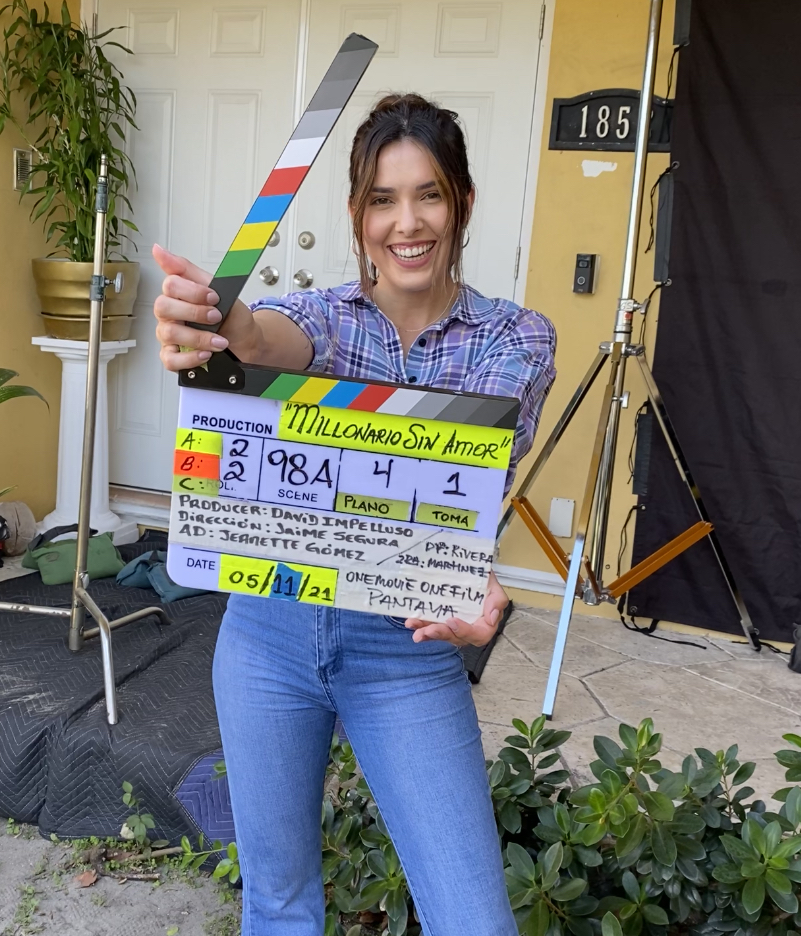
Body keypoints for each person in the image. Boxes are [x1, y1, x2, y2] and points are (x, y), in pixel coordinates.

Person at [153, 93, 556, 936]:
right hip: (269, 630)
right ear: (356, 215)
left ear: (463, 203)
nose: (406, 223)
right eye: (382, 199)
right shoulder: (323, 318)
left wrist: (468, 573)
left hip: (403, 648)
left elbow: (471, 466)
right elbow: (264, 338)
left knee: (475, 922)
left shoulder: (513, 338)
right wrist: (219, 324)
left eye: (429, 194)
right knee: (278, 906)